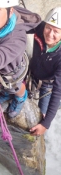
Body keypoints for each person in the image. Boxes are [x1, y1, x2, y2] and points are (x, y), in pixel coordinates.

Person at [27, 7, 61, 136]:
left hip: (49, 85)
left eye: (56, 31)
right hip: (33, 72)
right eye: (48, 28)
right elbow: (19, 26)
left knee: (42, 114)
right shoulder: (40, 28)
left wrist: (45, 124)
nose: (50, 34)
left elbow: (57, 92)